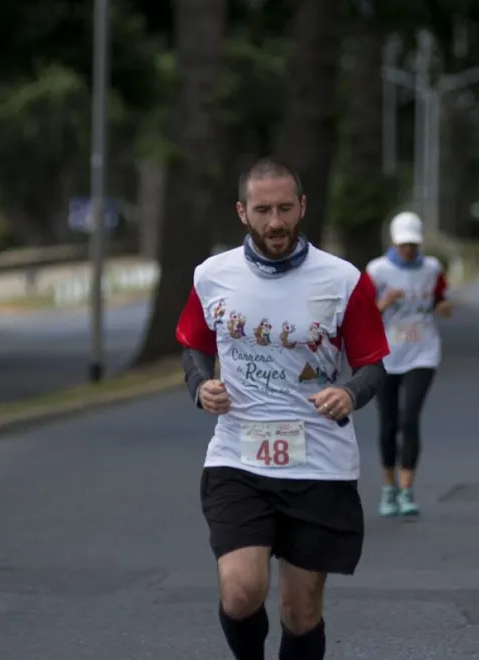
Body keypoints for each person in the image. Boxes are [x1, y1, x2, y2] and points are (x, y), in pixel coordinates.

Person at [175, 158, 390, 660]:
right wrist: (201, 385)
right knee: (241, 590)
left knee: (300, 611)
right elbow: (194, 344)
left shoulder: (343, 280)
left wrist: (350, 394)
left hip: (318, 463)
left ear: (303, 207)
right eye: (263, 210)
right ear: (242, 212)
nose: (276, 222)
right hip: (238, 457)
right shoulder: (213, 275)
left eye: (285, 209)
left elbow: (374, 367)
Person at [366, 211, 452, 517]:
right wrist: (384, 303)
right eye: (403, 244)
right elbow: (362, 317)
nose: (408, 250)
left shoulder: (431, 268)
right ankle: (388, 488)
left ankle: (407, 489)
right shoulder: (377, 271)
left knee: (409, 419)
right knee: (388, 423)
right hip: (387, 354)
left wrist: (443, 306)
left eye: (413, 244)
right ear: (394, 241)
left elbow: (441, 296)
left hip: (422, 352)